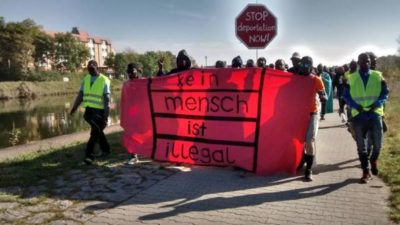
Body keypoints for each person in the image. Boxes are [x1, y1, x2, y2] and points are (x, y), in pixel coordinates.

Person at [344, 53, 389, 183]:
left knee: (378, 145)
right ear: (359, 63)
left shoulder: (378, 76)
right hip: (359, 116)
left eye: (368, 61)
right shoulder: (351, 78)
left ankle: (374, 159)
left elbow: (385, 92)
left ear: (370, 62)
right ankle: (365, 171)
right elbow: (346, 95)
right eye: (363, 61)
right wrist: (354, 105)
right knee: (361, 147)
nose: (366, 63)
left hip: (375, 114)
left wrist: (378, 103)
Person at [70, 60, 111, 165]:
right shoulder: (86, 78)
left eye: (92, 69)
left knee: (95, 133)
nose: (90, 71)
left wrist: (106, 115)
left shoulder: (104, 80)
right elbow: (81, 94)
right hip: (88, 112)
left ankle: (89, 155)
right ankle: (104, 150)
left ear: (97, 68)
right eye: (89, 69)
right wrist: (74, 107)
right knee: (97, 131)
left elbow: (107, 99)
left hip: (99, 111)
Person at [297, 56, 327, 181]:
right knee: (299, 141)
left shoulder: (316, 79)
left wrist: (322, 96)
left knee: (309, 141)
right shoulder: (296, 79)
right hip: (298, 114)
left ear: (310, 66)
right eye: (302, 65)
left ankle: (308, 169)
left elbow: (323, 93)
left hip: (312, 114)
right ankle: (303, 158)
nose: (304, 68)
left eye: (306, 66)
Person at [124, 63, 141, 165]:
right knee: (131, 134)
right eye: (129, 72)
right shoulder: (127, 84)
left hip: (142, 113)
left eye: (133, 72)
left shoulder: (143, 82)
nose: (131, 74)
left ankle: (142, 152)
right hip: (131, 113)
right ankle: (133, 155)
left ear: (137, 71)